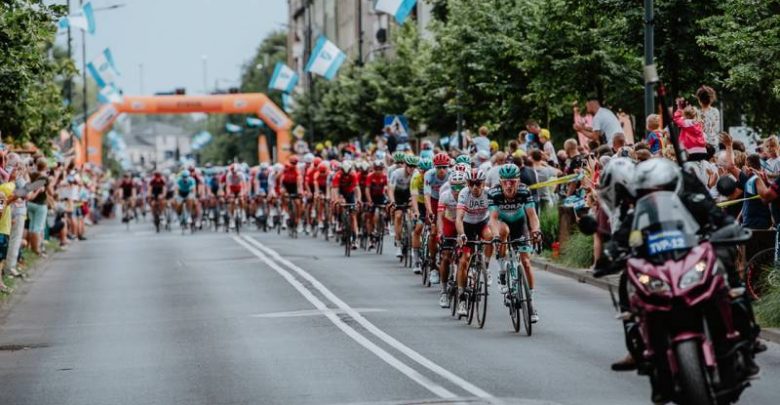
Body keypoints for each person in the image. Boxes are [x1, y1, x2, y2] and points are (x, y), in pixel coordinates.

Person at [488, 164, 542, 322]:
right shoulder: (494, 193)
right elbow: (492, 218)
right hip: (502, 223)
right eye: (505, 182)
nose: (509, 186)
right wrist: (496, 235)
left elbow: (532, 215)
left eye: (512, 181)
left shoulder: (525, 191)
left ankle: (531, 302)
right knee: (503, 232)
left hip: (520, 224)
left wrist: (536, 230)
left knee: (525, 261)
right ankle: (503, 270)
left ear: (518, 181)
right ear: (500, 181)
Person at [454, 168, 494, 316]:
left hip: (482, 223)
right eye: (471, 183)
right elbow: (458, 218)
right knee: (464, 261)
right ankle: (462, 297)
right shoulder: (464, 194)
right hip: (467, 225)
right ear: (467, 184)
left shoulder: (489, 193)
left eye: (478, 183)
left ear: (483, 183)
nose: (475, 187)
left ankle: (487, 267)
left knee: (490, 236)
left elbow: (496, 215)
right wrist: (462, 234)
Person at [423, 153, 451, 283]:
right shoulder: (429, 175)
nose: (441, 170)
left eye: (444, 167)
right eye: (439, 167)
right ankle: (433, 265)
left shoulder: (451, 175)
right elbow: (427, 195)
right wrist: (429, 211)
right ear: (435, 167)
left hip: (447, 203)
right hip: (434, 201)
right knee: (434, 232)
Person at [388, 154, 415, 257]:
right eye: (410, 166)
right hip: (398, 195)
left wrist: (413, 201)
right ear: (405, 165)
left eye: (414, 166)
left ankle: (412, 243)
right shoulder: (396, 173)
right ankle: (399, 244)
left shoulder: (415, 174)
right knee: (398, 216)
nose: (412, 168)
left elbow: (415, 192)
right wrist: (393, 202)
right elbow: (391, 189)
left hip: (409, 194)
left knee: (412, 215)